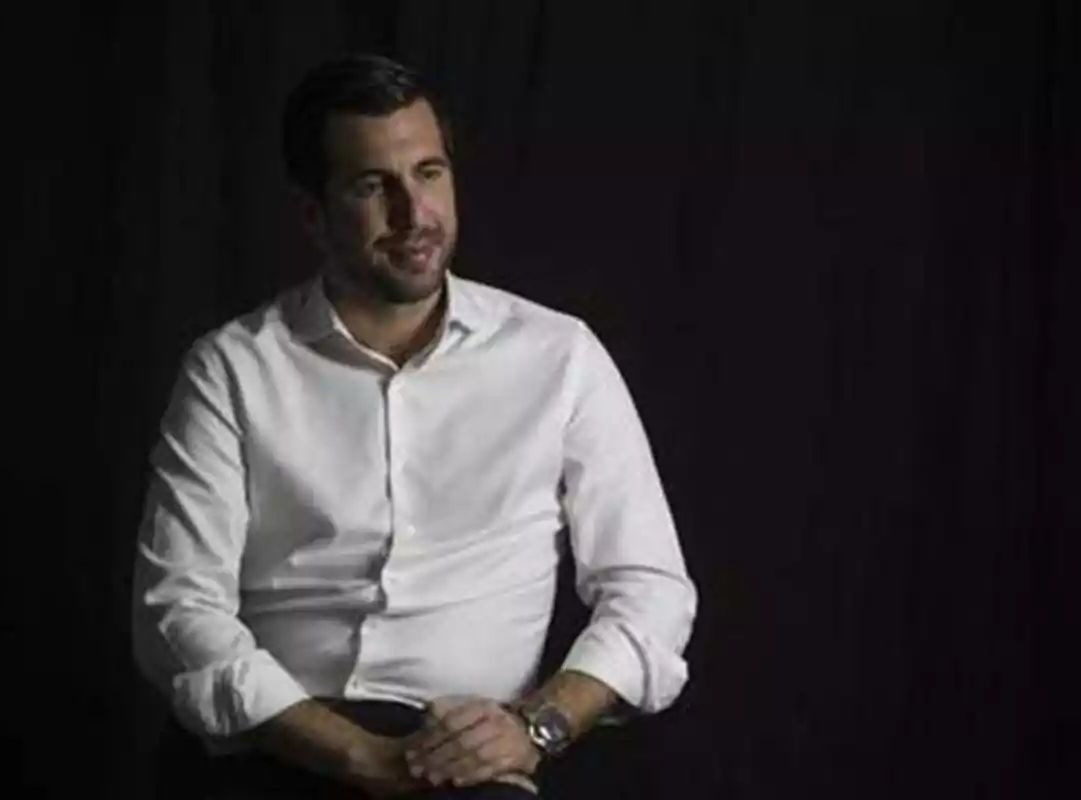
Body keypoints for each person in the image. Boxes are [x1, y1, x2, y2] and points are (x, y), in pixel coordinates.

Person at [132, 52, 697, 800]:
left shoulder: (560, 356)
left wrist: (537, 726)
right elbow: (179, 610)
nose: (414, 214)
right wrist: (358, 757)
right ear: (313, 212)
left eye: (429, 174)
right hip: (276, 750)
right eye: (374, 186)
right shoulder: (231, 369)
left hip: (472, 763)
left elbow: (650, 590)